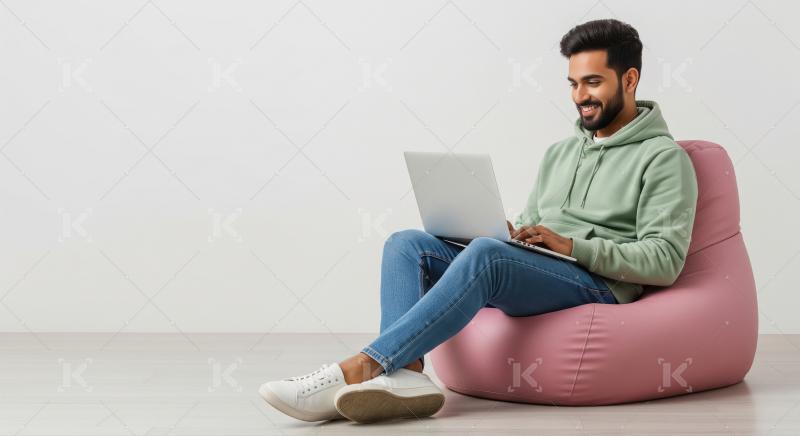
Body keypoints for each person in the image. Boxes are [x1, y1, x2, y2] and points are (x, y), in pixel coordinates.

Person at [258, 18, 698, 424]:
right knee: (406, 243)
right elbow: (536, 220)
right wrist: (510, 231)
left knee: (488, 256)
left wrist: (572, 247)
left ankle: (361, 366)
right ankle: (407, 373)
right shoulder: (562, 152)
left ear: (630, 79)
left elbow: (665, 260)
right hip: (544, 266)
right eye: (573, 83)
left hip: (598, 283)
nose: (580, 96)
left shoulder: (663, 158)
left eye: (593, 82)